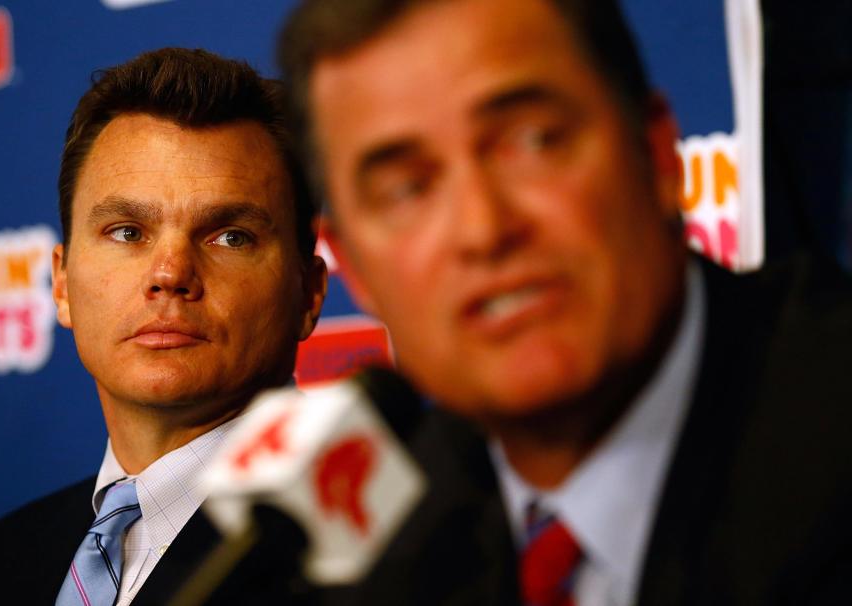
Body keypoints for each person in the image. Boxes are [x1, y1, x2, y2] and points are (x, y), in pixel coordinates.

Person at [278, 0, 852, 604]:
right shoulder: (391, 548)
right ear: (357, 270)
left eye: (533, 141)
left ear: (657, 155)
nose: (483, 229)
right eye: (408, 190)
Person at [0, 48, 328, 605]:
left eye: (230, 236)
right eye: (126, 232)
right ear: (63, 283)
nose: (170, 273)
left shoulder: (393, 551)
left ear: (308, 293)